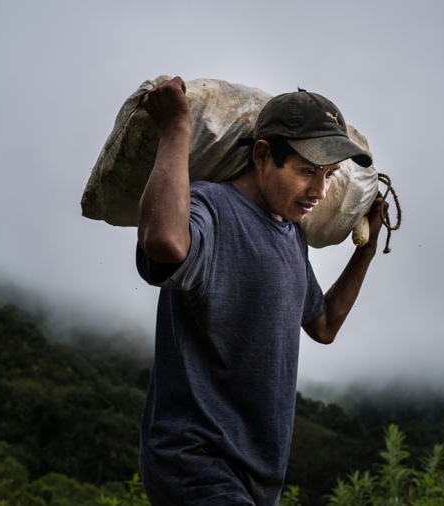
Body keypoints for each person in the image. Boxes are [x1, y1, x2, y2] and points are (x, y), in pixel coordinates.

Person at [135, 76, 384, 505]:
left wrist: (366, 250)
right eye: (307, 172)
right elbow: (165, 244)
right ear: (263, 155)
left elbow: (323, 325)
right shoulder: (211, 207)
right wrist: (176, 127)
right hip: (195, 461)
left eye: (328, 176)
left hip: (258, 473)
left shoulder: (291, 237)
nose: (319, 193)